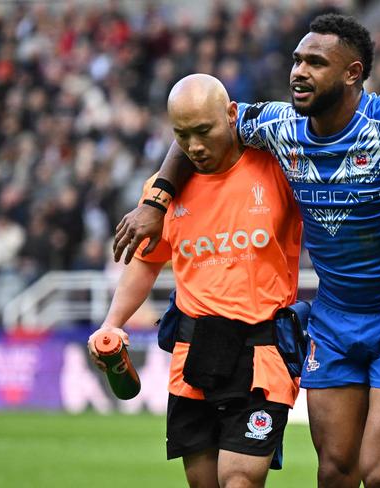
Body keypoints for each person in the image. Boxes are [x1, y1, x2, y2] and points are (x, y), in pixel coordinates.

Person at [112, 14, 380, 488]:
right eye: (296, 60)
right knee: (334, 472)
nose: (298, 72)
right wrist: (157, 199)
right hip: (333, 317)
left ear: (352, 73)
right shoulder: (278, 124)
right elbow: (199, 128)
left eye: (315, 62)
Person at [88, 74, 303, 488]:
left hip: (262, 354)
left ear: (231, 114)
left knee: (239, 480)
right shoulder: (162, 194)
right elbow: (147, 263)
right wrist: (112, 322)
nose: (195, 147)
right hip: (192, 354)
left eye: (204, 131)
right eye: (182, 135)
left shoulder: (277, 168)